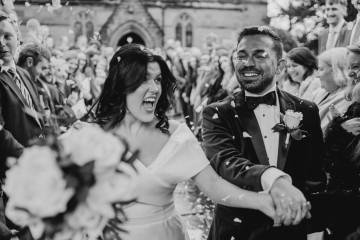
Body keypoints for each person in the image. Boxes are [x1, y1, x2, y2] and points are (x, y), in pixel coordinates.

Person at [85, 43, 280, 240]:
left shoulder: (176, 134)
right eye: (144, 80)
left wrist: (259, 201)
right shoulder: (88, 134)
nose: (154, 88)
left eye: (158, 79)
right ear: (121, 85)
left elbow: (212, 184)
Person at [201, 26, 326, 240]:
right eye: (241, 56)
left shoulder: (306, 110)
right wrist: (274, 179)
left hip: (292, 231)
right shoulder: (217, 113)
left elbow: (314, 177)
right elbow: (225, 161)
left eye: (260, 55)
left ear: (279, 67)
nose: (248, 63)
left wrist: (315, 231)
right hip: (237, 232)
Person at [321, 43, 360, 240]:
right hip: (343, 203)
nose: (352, 73)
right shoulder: (354, 102)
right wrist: (339, 126)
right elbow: (330, 158)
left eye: (358, 66)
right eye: (350, 67)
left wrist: (338, 128)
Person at [0, 11, 44, 147]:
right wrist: (25, 154)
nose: (1, 43)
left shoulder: (23, 73)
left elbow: (37, 116)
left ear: (18, 37)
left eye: (7, 36)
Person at [315, 47, 351, 131]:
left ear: (336, 70)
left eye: (321, 69)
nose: (317, 75)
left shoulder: (347, 98)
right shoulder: (323, 92)